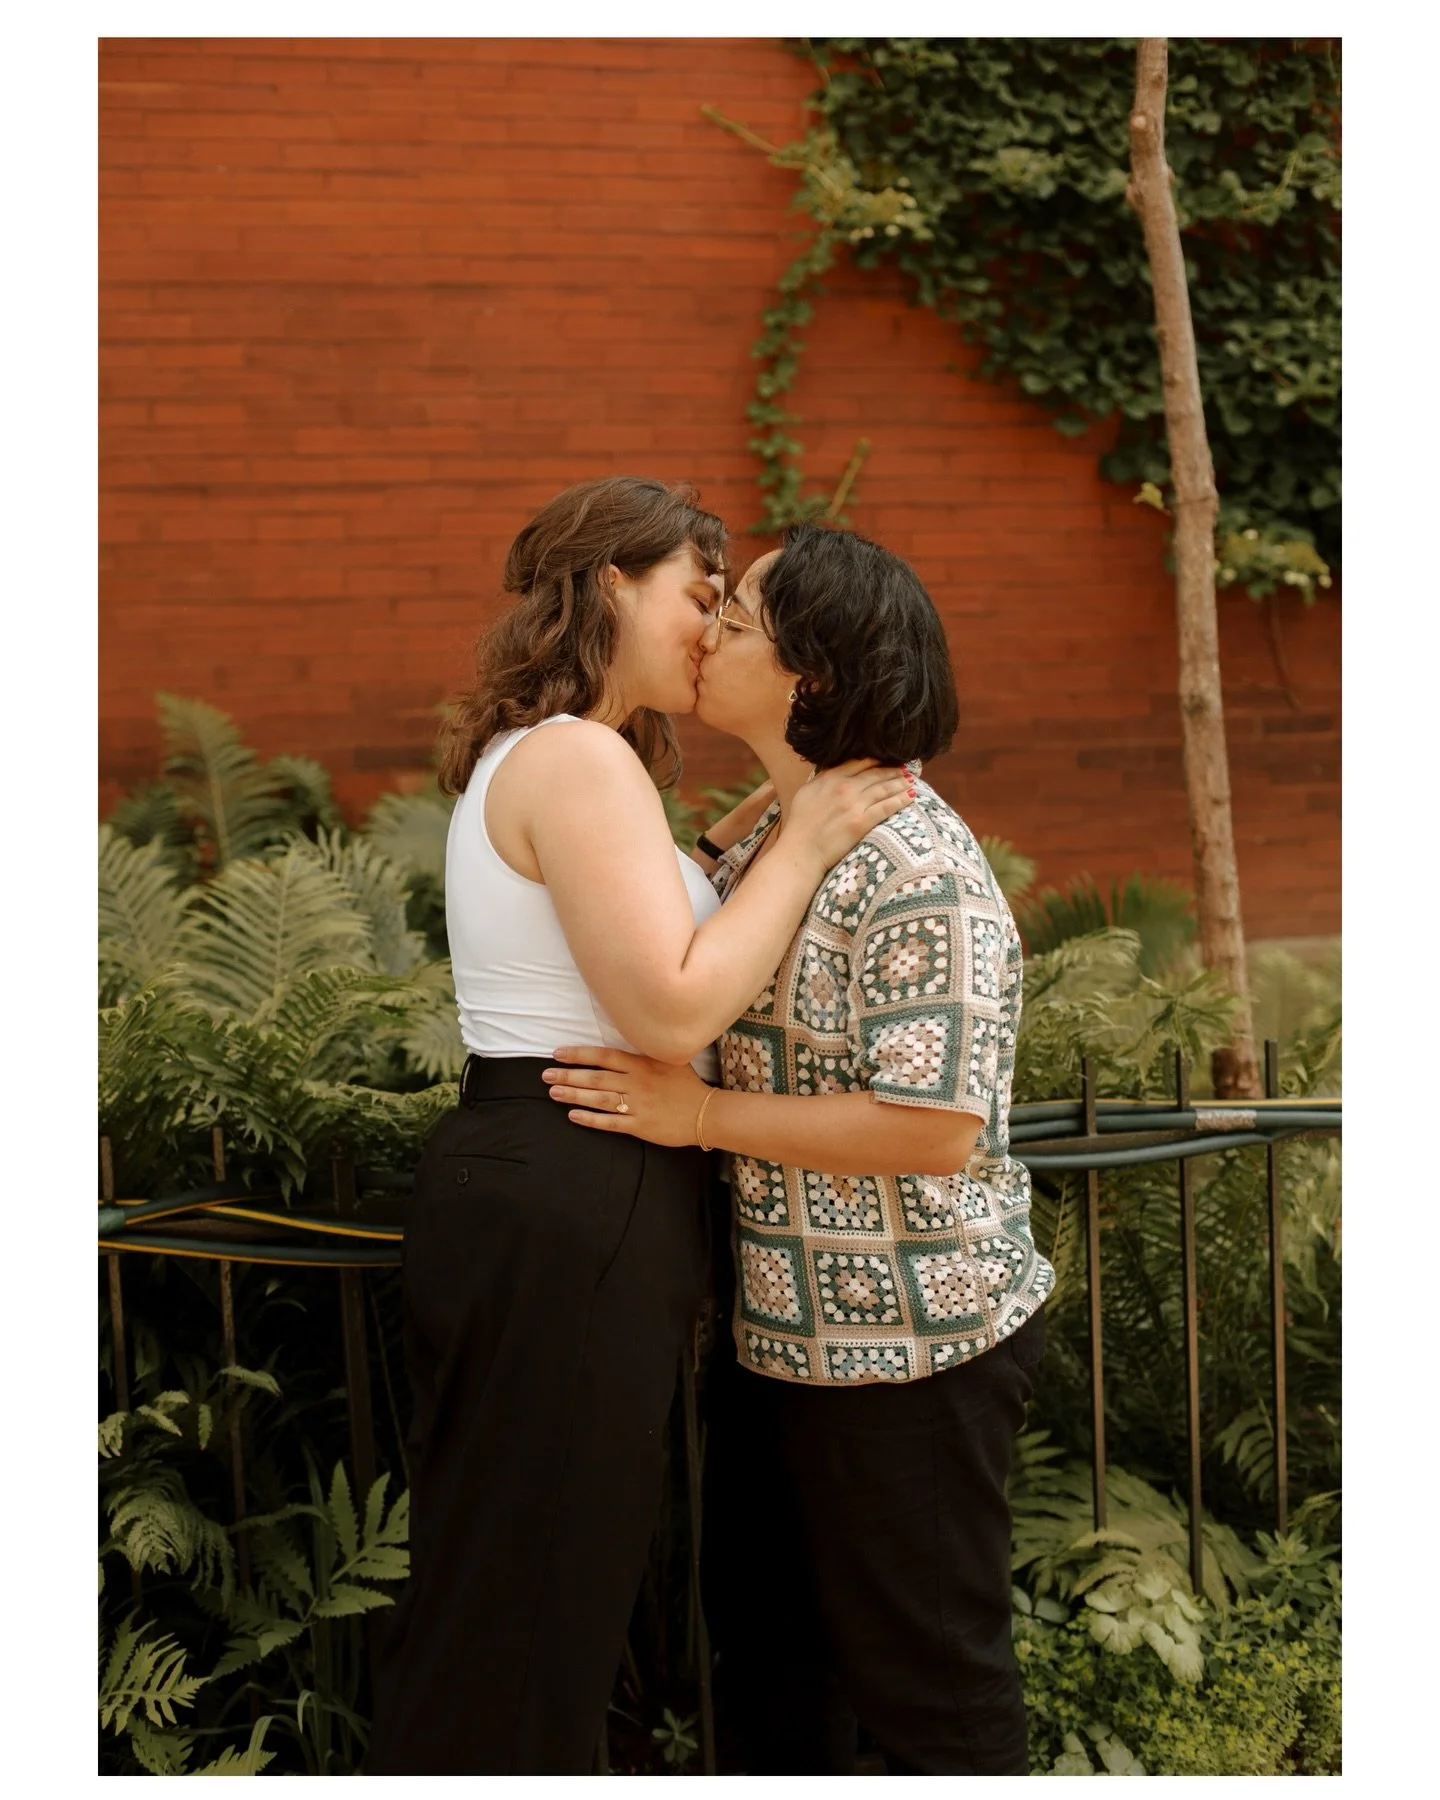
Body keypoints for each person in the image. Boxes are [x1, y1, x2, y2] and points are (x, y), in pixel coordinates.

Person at [364, 480, 910, 1776]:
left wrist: (769, 822)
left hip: (558, 1182)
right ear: (613, 582)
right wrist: (812, 837)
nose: (713, 631)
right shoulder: (577, 757)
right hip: (575, 1182)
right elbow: (669, 1004)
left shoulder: (563, 753)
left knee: (528, 1590)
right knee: (534, 1609)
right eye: (699, 596)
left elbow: (669, 918)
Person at [542, 522, 1057, 1776]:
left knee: (932, 1694)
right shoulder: (793, 831)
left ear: (811, 672)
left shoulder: (914, 862)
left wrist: (698, 1117)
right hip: (787, 1340)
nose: (706, 634)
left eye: (739, 620)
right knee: (779, 1680)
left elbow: (934, 1127)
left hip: (914, 1349)